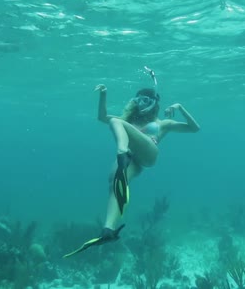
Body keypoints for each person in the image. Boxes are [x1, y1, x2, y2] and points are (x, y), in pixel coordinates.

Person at [64, 74, 200, 258]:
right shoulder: (128, 120)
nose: (141, 104)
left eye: (146, 100)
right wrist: (103, 94)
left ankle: (122, 151)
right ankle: (108, 230)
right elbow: (101, 116)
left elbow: (194, 128)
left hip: (149, 154)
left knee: (115, 122)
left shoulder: (163, 123)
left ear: (154, 102)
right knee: (115, 181)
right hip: (134, 162)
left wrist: (181, 108)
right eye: (138, 100)